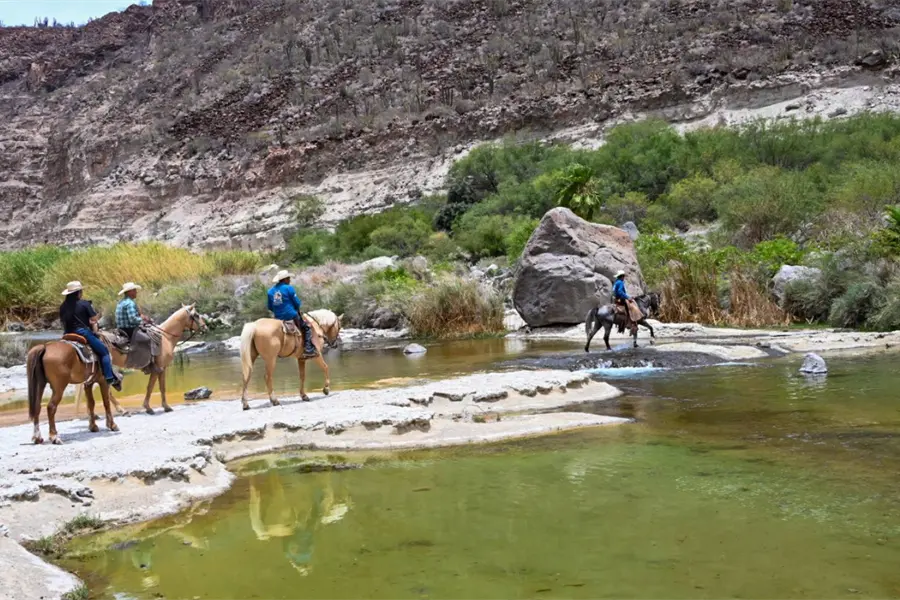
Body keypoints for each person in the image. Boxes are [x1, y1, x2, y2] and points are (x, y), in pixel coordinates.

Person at [59, 281, 122, 391]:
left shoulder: (63, 306)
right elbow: (94, 319)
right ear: (78, 293)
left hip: (67, 334)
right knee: (104, 351)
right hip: (82, 332)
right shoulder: (84, 304)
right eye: (81, 291)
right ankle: (109, 377)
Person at [267, 270, 318, 358]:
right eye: (288, 278)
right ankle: (308, 349)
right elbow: (297, 303)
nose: (290, 280)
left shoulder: (270, 291)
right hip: (291, 315)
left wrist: (278, 311)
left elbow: (270, 307)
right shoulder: (288, 288)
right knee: (307, 328)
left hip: (277, 317)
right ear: (285, 279)